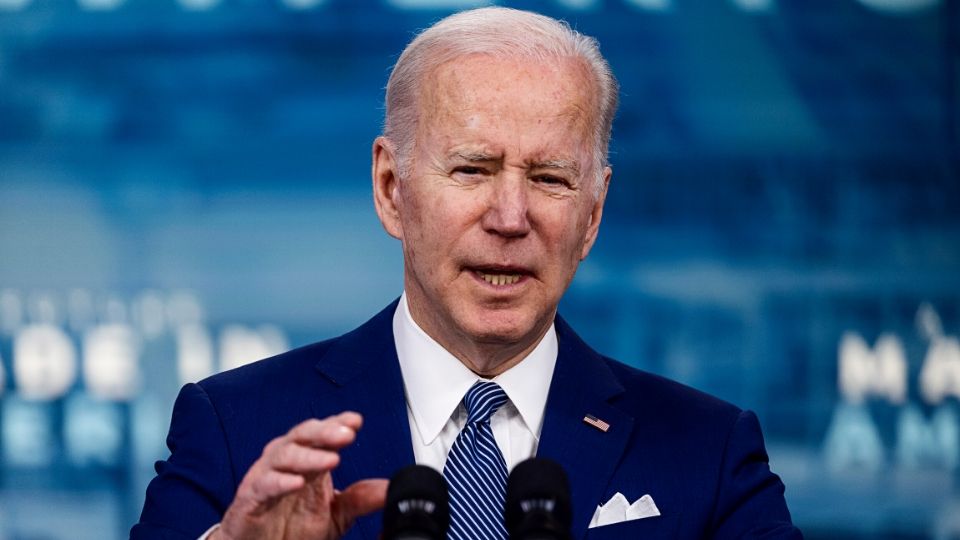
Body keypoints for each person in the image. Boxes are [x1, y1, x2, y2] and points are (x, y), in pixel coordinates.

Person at [132, 7, 802, 540]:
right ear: (391, 188)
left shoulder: (709, 453)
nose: (510, 217)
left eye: (548, 178)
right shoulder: (235, 429)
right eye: (472, 171)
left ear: (593, 215)